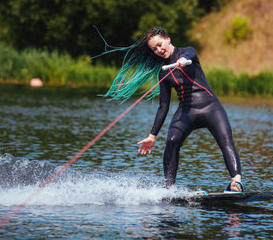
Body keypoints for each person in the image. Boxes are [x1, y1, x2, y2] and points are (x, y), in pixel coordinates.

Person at [95, 27, 244, 192]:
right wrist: (152, 135)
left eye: (160, 44)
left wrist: (183, 60)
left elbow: (191, 55)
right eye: (154, 49)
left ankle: (236, 182)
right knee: (172, 141)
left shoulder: (187, 52)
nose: (159, 50)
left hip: (211, 107)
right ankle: (170, 189)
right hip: (187, 111)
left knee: (225, 140)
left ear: (168, 39)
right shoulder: (163, 72)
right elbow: (163, 106)